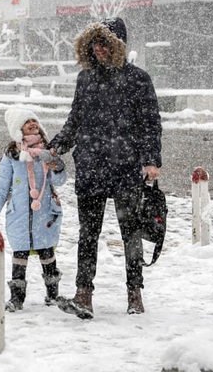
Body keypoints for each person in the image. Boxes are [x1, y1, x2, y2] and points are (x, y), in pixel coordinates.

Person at [47, 17, 162, 319]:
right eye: (94, 43)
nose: (98, 49)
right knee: (88, 233)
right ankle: (83, 294)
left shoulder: (138, 79)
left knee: (131, 233)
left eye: (104, 43)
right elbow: (75, 121)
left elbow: (151, 124)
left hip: (126, 167)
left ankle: (134, 293)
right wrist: (57, 145)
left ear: (117, 46)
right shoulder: (86, 79)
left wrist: (151, 160)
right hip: (91, 166)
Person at [0, 107, 68, 312]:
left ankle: (52, 294)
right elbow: (2, 188)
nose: (32, 124)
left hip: (45, 212)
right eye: (26, 122)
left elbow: (60, 180)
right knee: (19, 254)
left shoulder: (47, 151)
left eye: (34, 121)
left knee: (47, 252)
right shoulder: (12, 156)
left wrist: (55, 163)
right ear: (17, 129)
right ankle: (17, 298)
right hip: (20, 214)